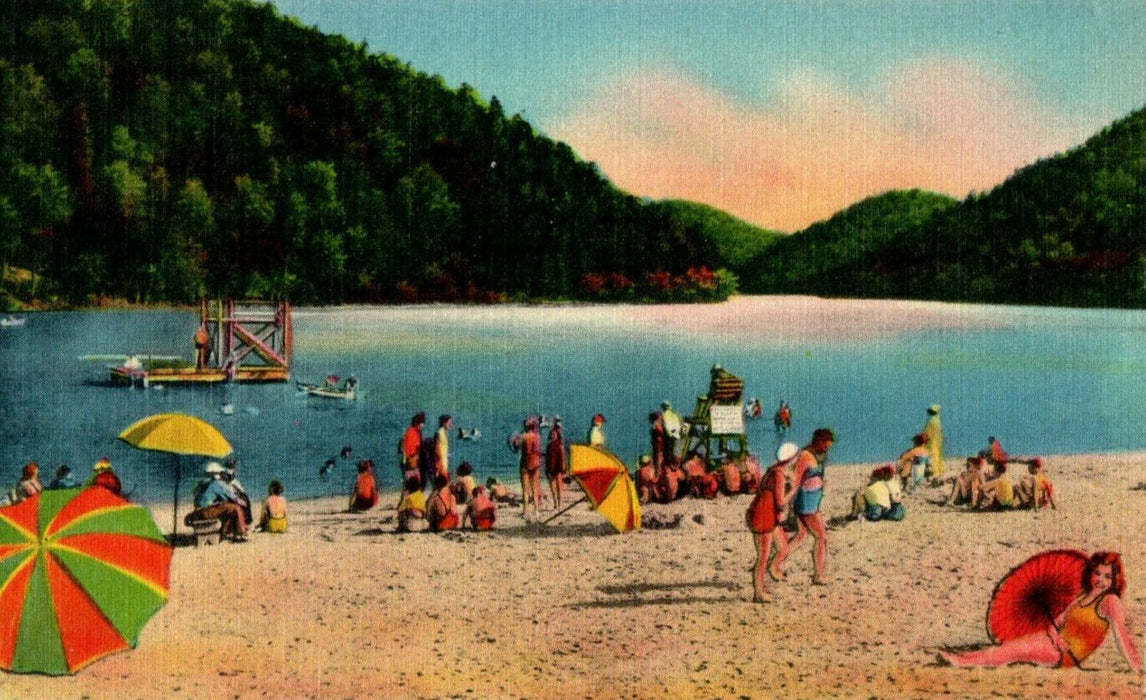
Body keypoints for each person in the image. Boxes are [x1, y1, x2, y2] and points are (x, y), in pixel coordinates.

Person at [940, 551, 1142, 673]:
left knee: (1014, 650)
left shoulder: (1110, 601)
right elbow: (1057, 621)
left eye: (1107, 577)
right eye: (1097, 573)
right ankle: (965, 657)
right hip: (1054, 643)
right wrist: (1056, 638)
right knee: (1013, 645)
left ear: (1115, 579)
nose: (1100, 580)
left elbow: (1121, 637)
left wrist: (1137, 668)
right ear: (1091, 573)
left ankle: (962, 661)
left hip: (1066, 656)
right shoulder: (1083, 596)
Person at [772, 427, 835, 585]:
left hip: (812, 499)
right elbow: (796, 481)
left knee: (801, 536)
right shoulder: (805, 456)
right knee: (821, 536)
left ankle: (775, 563)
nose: (827, 449)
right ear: (819, 442)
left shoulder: (815, 455)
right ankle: (818, 574)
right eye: (826, 445)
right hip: (806, 502)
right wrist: (785, 501)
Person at [746, 442, 799, 602]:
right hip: (764, 515)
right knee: (762, 557)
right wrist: (793, 489)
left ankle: (773, 568)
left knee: (783, 548)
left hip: (767, 513)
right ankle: (758, 593)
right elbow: (781, 502)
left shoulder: (774, 469)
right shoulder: (779, 474)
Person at [186, 462, 247, 541]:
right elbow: (232, 498)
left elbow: (195, 495)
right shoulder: (217, 484)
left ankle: (225, 532)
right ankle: (241, 532)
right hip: (206, 511)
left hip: (197, 512)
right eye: (221, 473)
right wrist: (241, 501)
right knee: (235, 508)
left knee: (228, 508)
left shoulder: (201, 483)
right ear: (218, 473)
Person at [511, 416, 543, 520]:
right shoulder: (537, 436)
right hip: (535, 462)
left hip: (525, 462)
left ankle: (525, 511)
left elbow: (516, 446)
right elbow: (538, 449)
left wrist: (515, 438)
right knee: (535, 488)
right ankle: (537, 511)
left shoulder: (523, 436)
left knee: (525, 489)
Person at [545, 417, 567, 509]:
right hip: (553, 464)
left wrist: (564, 468)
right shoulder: (556, 444)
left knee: (556, 484)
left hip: (555, 464)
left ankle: (558, 503)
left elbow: (562, 457)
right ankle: (557, 503)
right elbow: (562, 456)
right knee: (556, 485)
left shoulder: (554, 445)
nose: (553, 435)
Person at [223, 459, 252, 526]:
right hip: (231, 493)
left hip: (227, 492)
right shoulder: (231, 473)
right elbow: (239, 488)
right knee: (246, 498)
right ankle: (248, 519)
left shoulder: (223, 471)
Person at [400, 412, 425, 484]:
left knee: (412, 482)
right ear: (417, 423)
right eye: (421, 423)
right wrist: (414, 458)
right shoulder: (412, 432)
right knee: (412, 482)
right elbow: (411, 448)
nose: (423, 425)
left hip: (412, 460)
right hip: (411, 460)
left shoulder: (414, 431)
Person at [924, 404, 945, 477]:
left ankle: (934, 471)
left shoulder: (931, 421)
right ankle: (939, 470)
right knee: (938, 455)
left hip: (931, 442)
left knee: (932, 456)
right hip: (938, 441)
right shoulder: (938, 421)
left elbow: (927, 432)